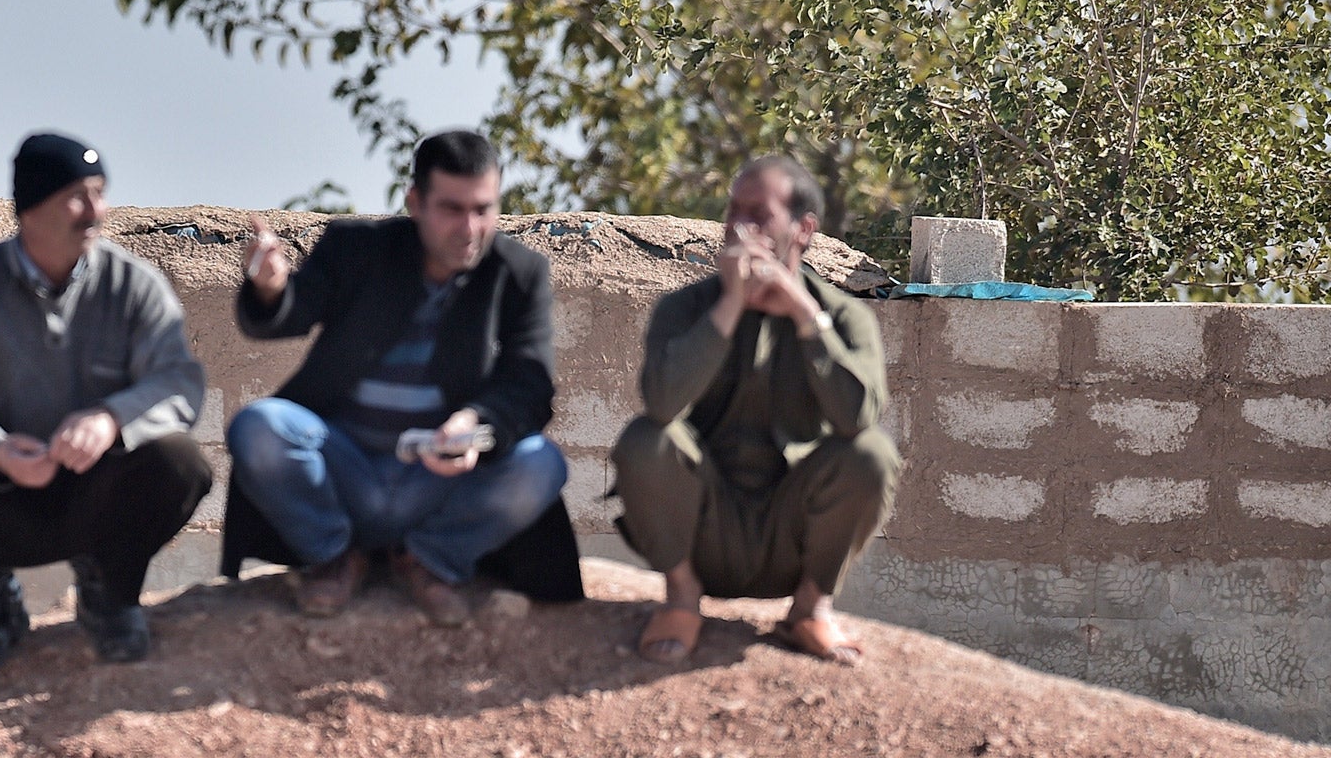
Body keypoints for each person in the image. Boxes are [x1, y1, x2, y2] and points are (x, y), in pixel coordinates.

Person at [0, 134, 211, 680]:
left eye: (100, 194)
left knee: (179, 463)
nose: (95, 211)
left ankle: (108, 595)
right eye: (78, 196)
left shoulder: (134, 286)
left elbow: (178, 383)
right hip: (5, 493)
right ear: (32, 208)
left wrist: (111, 420)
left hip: (100, 492)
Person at [224, 130, 574, 627]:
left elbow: (530, 384)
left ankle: (430, 561)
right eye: (452, 209)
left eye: (484, 209)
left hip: (440, 482)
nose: (470, 227)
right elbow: (288, 313)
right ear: (415, 203)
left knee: (541, 463)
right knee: (259, 427)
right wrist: (272, 287)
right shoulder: (359, 249)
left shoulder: (518, 273)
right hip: (343, 469)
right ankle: (335, 556)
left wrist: (475, 426)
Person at [611, 153, 900, 667]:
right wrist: (728, 306)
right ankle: (680, 600)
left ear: (803, 229)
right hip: (705, 528)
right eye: (733, 214)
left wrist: (808, 318)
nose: (740, 229)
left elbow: (858, 418)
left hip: (789, 535)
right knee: (644, 438)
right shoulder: (686, 308)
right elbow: (660, 404)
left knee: (872, 453)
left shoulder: (843, 315)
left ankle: (810, 609)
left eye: (759, 215)